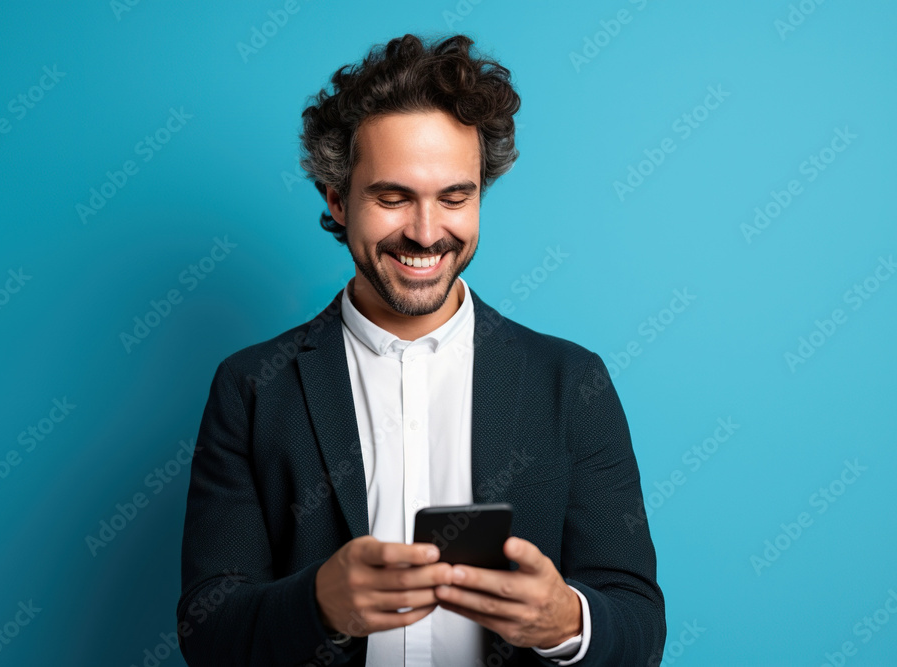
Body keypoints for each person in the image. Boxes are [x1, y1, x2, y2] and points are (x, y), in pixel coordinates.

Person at [177, 33, 665, 666]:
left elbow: (639, 628)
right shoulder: (251, 387)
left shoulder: (571, 382)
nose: (427, 233)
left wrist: (563, 620)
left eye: (455, 198)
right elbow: (207, 632)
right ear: (336, 199)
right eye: (393, 197)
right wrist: (318, 605)